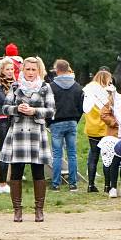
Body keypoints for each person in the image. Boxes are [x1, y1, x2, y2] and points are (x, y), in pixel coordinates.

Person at [0, 57, 55, 222]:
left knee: (38, 172)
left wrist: (34, 111)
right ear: (23, 70)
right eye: (27, 69)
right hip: (18, 133)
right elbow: (4, 108)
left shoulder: (46, 87)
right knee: (16, 172)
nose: (30, 73)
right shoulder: (15, 86)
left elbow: (51, 111)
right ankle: (17, 210)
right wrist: (17, 109)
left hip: (36, 133)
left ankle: (39, 210)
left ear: (39, 71)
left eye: (33, 70)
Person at [48, 59, 84, 191]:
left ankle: (56, 183)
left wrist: (49, 122)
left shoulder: (51, 87)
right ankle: (73, 183)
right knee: (72, 154)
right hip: (72, 122)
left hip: (56, 122)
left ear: (57, 70)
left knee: (57, 155)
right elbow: (81, 107)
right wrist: (76, 119)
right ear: (69, 69)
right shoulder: (77, 86)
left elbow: (49, 106)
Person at [83, 69, 113, 193]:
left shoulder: (88, 91)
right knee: (107, 157)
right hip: (105, 128)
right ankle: (107, 186)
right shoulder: (108, 93)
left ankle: (90, 185)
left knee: (93, 157)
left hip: (91, 128)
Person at [0, 58, 16, 194]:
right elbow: (3, 100)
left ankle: (14, 180)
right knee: (3, 150)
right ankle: (2, 183)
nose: (10, 72)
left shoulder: (17, 83)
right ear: (2, 70)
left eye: (12, 69)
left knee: (15, 151)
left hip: (14, 120)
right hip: (2, 121)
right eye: (7, 69)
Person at [99, 85, 121, 197]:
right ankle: (111, 186)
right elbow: (103, 115)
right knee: (113, 162)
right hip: (113, 136)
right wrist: (115, 122)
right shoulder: (109, 103)